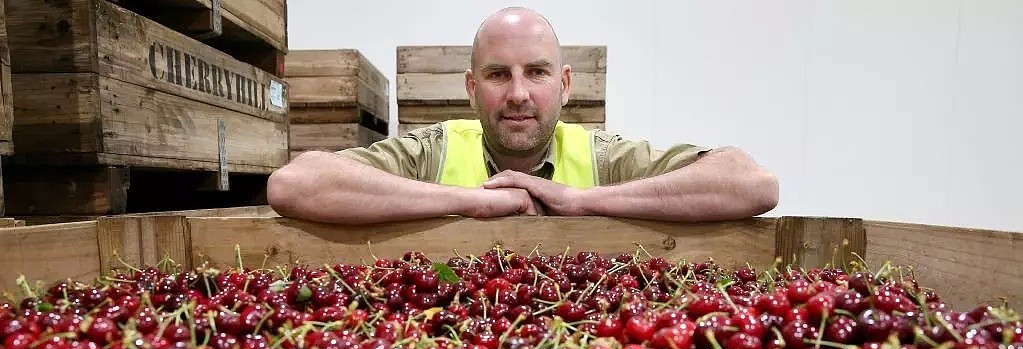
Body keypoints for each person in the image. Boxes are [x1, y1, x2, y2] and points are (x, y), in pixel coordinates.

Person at [267, 7, 779, 225]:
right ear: (471, 88)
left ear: (565, 84)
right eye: (496, 75)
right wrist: (470, 203)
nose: (517, 94)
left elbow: (751, 183)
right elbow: (295, 185)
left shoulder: (603, 157)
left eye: (536, 73)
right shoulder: (433, 151)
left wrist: (581, 201)